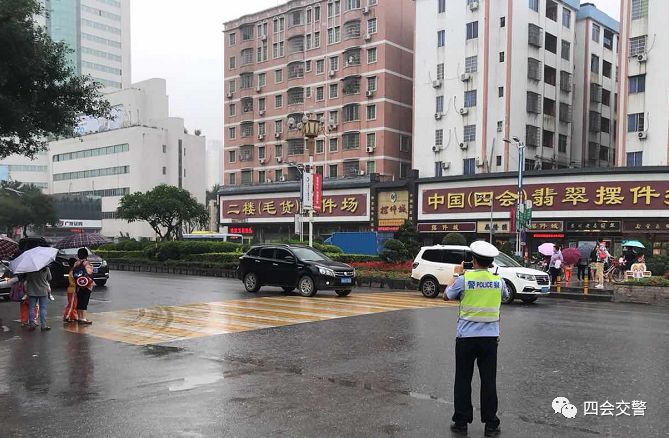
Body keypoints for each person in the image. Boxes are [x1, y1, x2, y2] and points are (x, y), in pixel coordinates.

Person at [445, 241, 508, 437]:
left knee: (463, 380)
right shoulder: (499, 280)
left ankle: (461, 423)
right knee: (489, 381)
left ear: (472, 260)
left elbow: (447, 296)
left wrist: (456, 273)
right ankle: (491, 425)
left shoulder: (465, 279)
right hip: (490, 339)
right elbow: (505, 297)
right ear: (491, 262)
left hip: (466, 338)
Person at [26, 266, 52, 331]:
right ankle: (43, 326)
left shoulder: (30, 269)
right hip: (43, 291)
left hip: (32, 291)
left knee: (31, 308)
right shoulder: (46, 268)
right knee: (43, 308)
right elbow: (50, 278)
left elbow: (27, 279)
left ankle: (32, 324)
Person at [74, 248, 94, 325]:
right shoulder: (87, 264)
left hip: (78, 285)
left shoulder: (76, 263)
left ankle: (79, 317)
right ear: (86, 255)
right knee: (85, 302)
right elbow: (89, 273)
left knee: (79, 301)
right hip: (86, 285)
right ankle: (84, 318)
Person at [63, 258, 78, 323]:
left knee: (74, 304)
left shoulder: (72, 271)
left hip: (72, 289)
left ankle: (73, 316)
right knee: (71, 304)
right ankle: (67, 316)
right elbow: (72, 282)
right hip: (72, 290)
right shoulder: (72, 272)